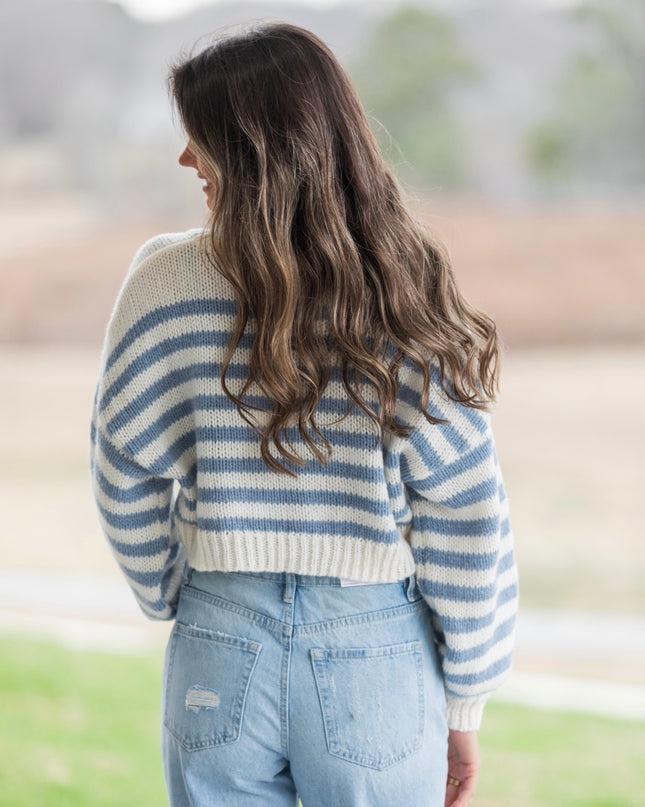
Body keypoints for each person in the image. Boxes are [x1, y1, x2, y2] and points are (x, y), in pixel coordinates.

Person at [90, 22, 518, 807]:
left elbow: (122, 464)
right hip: (374, 652)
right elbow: (465, 512)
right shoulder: (401, 286)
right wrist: (466, 696)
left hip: (218, 635)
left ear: (256, 148)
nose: (186, 160)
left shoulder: (163, 282)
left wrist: (172, 589)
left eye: (202, 139)